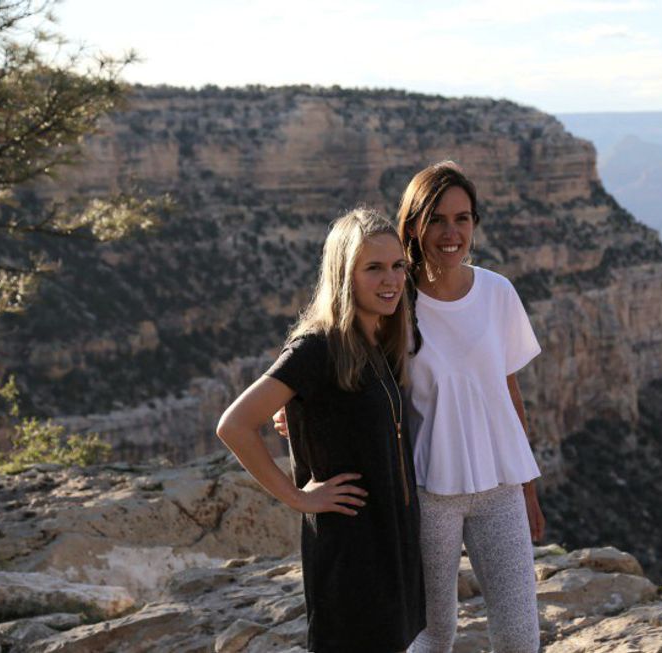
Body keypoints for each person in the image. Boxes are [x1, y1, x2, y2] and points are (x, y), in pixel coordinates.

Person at [276, 162, 545, 652]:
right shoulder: (395, 302)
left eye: (462, 219)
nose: (450, 233)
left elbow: (507, 390)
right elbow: (342, 359)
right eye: (436, 219)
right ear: (414, 226)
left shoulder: (498, 293)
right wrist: (297, 408)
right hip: (426, 492)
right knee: (431, 635)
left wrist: (528, 486)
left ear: (475, 223)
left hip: (501, 487)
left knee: (520, 636)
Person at [217, 208, 425, 653]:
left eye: (397, 266)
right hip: (350, 555)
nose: (391, 280)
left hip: (392, 544)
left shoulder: (377, 342)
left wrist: (302, 421)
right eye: (373, 268)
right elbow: (234, 425)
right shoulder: (317, 346)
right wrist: (299, 498)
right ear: (343, 274)